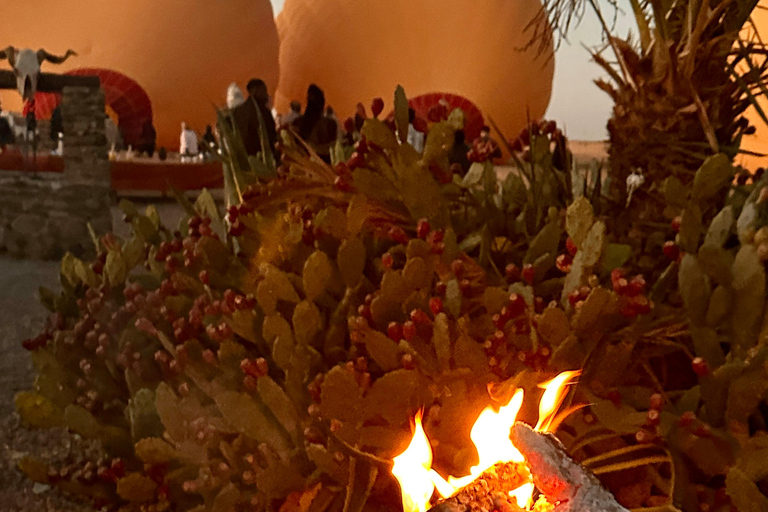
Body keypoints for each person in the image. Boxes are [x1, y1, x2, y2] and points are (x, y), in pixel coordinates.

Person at [233, 78, 278, 158]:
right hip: (261, 157)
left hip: (243, 157)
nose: (266, 94)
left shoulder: (238, 111)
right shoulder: (263, 111)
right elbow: (271, 134)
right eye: (263, 90)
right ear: (255, 91)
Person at [295, 84, 337, 163]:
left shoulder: (298, 123)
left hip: (303, 168)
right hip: (324, 170)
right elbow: (332, 150)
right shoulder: (329, 124)